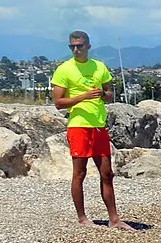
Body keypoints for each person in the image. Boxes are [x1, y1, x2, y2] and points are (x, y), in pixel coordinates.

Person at [50, 30, 131, 231]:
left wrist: (103, 94)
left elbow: (110, 94)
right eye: (72, 46)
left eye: (79, 45)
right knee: (80, 173)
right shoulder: (64, 69)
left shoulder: (99, 67)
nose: (76, 50)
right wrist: (83, 97)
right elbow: (58, 102)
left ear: (88, 46)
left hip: (98, 124)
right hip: (78, 125)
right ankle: (82, 217)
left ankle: (114, 219)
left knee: (107, 172)